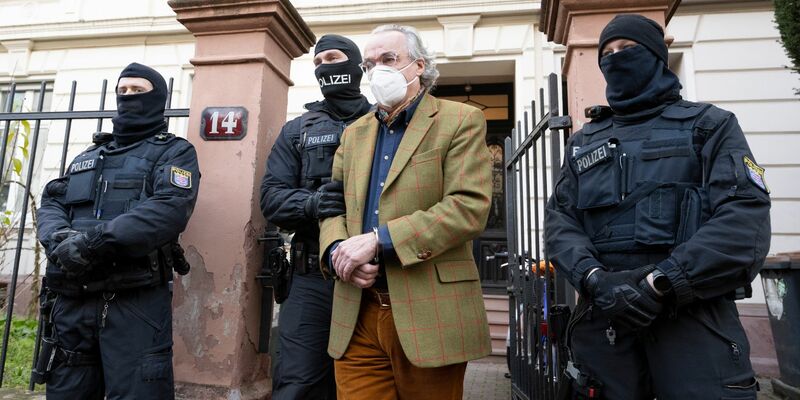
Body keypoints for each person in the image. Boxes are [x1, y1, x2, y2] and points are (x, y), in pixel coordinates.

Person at [545, 14, 771, 400]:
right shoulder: (584, 141)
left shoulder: (710, 125)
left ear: (655, 55)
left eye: (628, 49)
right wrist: (595, 279)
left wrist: (661, 282)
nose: (616, 58)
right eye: (607, 53)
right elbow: (560, 222)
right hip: (606, 322)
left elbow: (743, 222)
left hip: (693, 323)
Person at [319, 24, 493, 400]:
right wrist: (336, 251)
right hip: (358, 311)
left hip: (429, 310)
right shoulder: (354, 134)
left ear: (419, 66)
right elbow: (332, 205)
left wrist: (378, 241)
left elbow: (468, 207)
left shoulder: (460, 120)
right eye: (369, 64)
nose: (377, 70)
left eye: (388, 59)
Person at [35, 63, 200, 399]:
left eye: (137, 91)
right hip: (72, 299)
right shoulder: (88, 155)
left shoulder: (174, 151)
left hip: (133, 301)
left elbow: (167, 209)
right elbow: (52, 202)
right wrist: (60, 241)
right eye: (122, 91)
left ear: (158, 98)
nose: (128, 97)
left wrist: (91, 244)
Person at [260, 34, 371, 400]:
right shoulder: (297, 130)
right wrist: (311, 205)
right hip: (312, 278)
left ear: (356, 66)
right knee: (298, 383)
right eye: (319, 61)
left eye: (334, 58)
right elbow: (271, 199)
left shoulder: (385, 121)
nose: (325, 66)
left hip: (377, 277)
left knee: (370, 382)